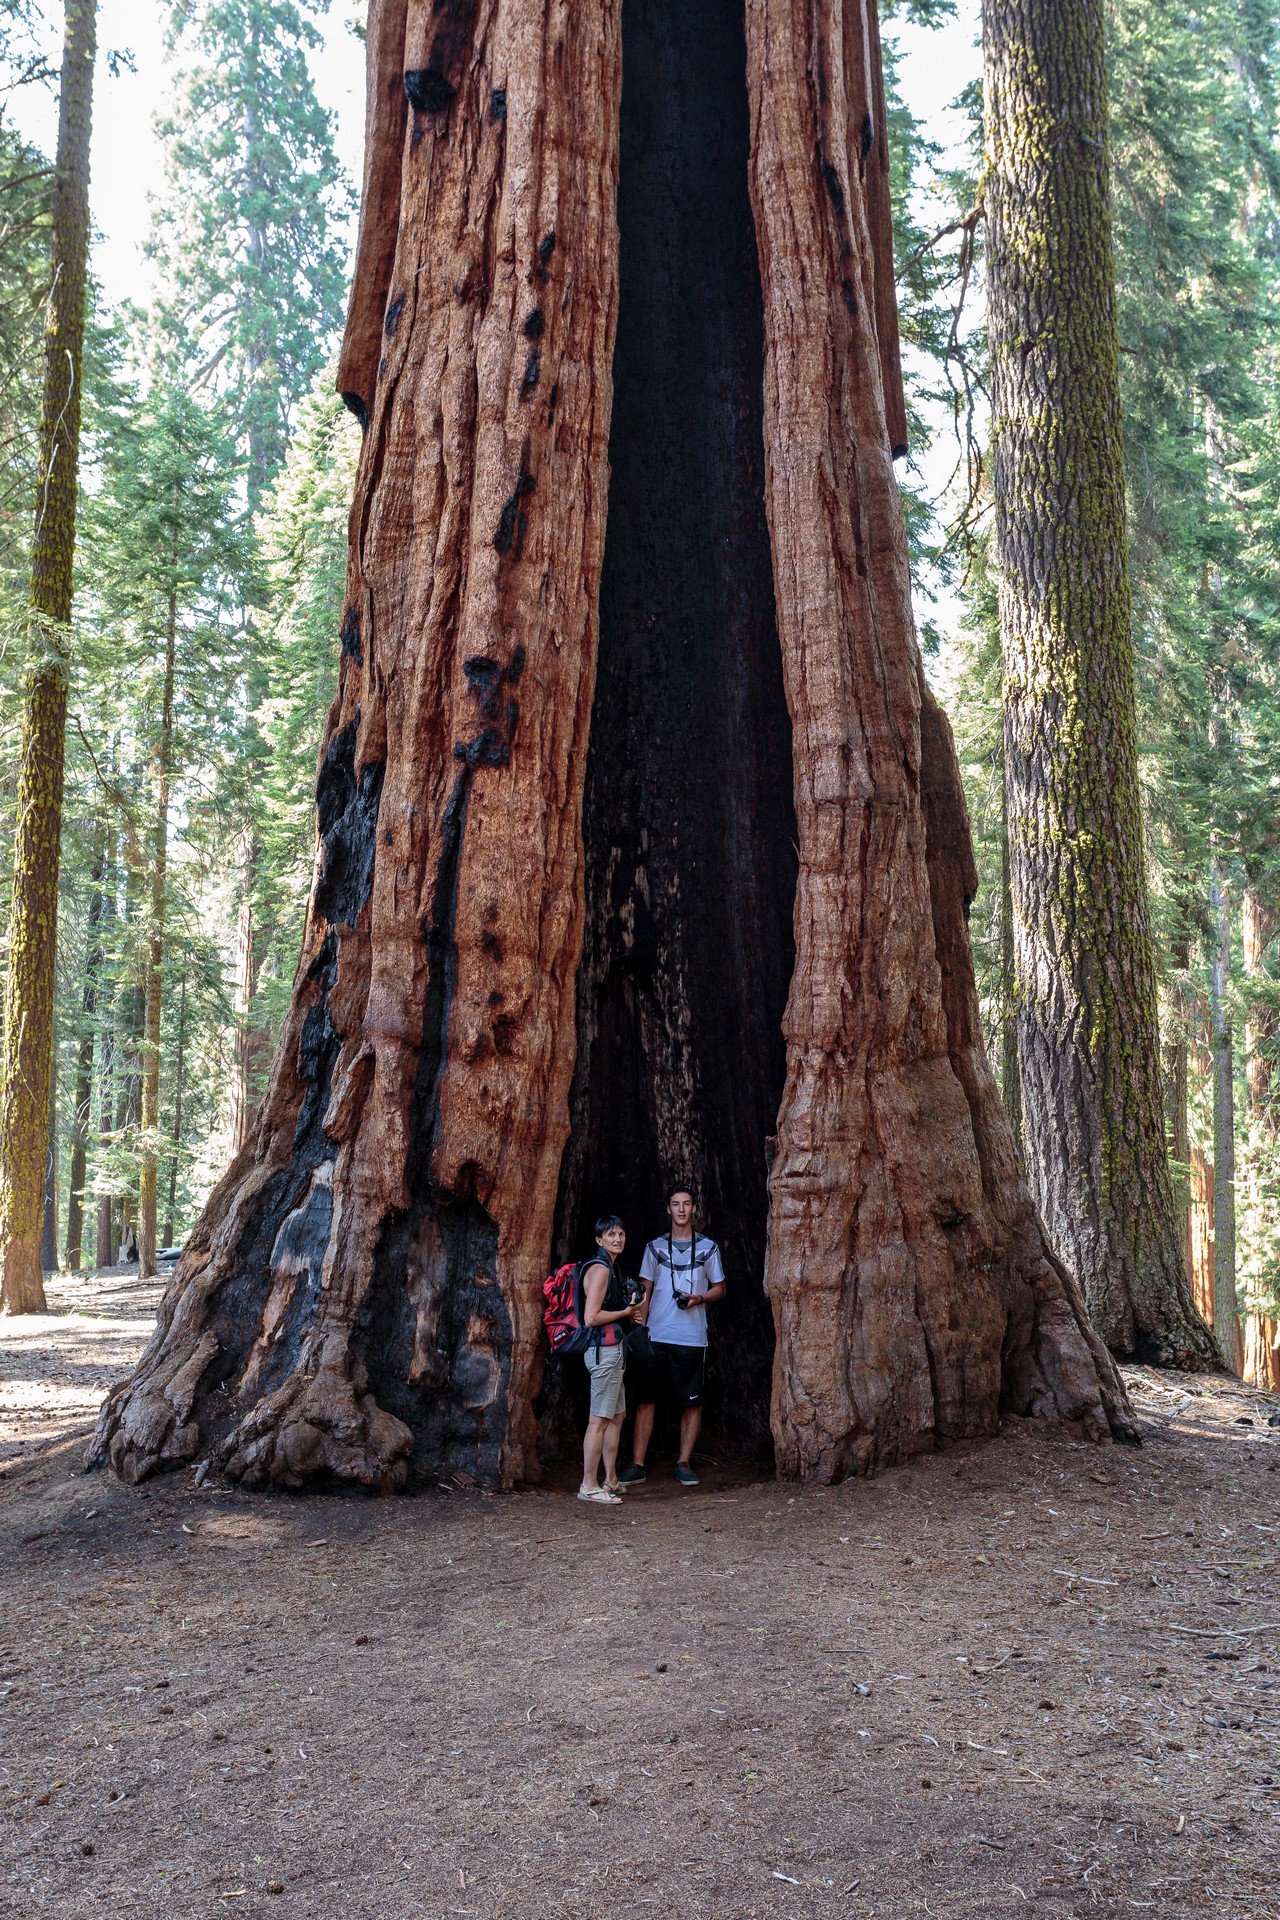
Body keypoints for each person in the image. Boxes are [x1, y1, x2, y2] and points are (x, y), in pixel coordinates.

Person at [618, 1183, 725, 1487]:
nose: (681, 1209)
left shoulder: (708, 1247)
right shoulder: (654, 1247)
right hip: (657, 1333)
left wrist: (699, 1298)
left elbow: (720, 1288)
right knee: (646, 1399)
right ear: (668, 1209)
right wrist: (639, 1328)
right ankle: (638, 1464)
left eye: (686, 1204)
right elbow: (644, 1290)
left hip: (692, 1336)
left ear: (694, 1208)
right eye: (675, 1204)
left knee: (691, 1402)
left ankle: (683, 1462)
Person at [578, 1214, 644, 1505]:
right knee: (598, 1420)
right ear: (599, 1240)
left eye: (621, 1234)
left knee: (616, 1416)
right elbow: (591, 1317)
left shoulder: (611, 1268)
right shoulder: (601, 1270)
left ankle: (611, 1479)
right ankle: (588, 1485)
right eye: (610, 1235)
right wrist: (625, 1313)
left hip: (612, 1351)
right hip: (603, 1351)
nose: (617, 1239)